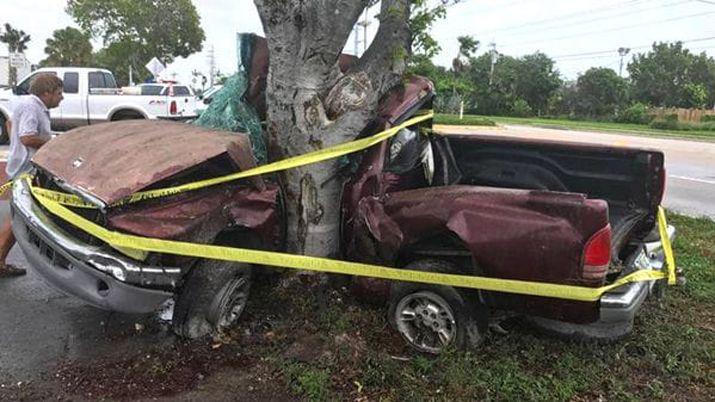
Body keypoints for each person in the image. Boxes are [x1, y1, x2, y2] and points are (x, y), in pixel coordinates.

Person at [0, 73, 63, 277]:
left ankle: (0, 260)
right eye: (59, 93)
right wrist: (53, 144)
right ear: (47, 93)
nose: (61, 98)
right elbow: (27, 137)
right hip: (25, 171)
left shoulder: (31, 105)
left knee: (20, 219)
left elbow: (10, 123)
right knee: (19, 219)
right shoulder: (32, 106)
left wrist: (15, 148)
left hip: (25, 167)